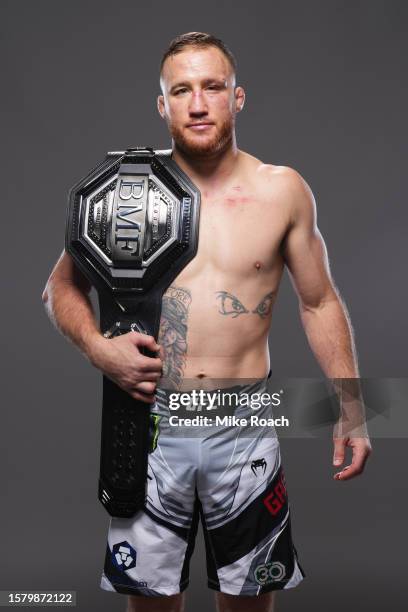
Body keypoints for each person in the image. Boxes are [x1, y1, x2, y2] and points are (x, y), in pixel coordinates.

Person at [42, 32, 372, 612]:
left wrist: (352, 408)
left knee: (247, 604)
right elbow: (60, 287)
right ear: (162, 105)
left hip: (246, 424)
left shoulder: (282, 190)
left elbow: (320, 301)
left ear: (237, 97)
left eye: (213, 87)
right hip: (148, 427)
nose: (198, 104)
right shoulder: (127, 193)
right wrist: (98, 349)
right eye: (182, 90)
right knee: (151, 604)